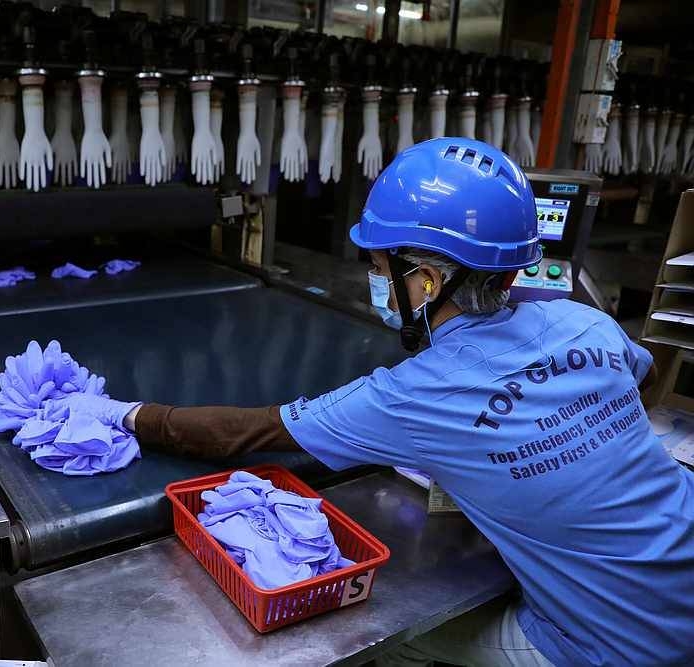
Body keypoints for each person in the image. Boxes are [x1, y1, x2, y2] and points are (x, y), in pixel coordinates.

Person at [55, 138, 694, 666]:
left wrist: (121, 414)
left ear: (426, 277)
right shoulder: (590, 325)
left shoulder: (419, 394)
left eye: (380, 261)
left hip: (617, 649)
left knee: (386, 636)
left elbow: (240, 435)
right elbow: (631, 385)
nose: (374, 274)